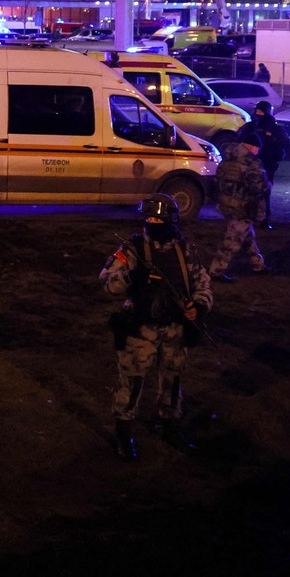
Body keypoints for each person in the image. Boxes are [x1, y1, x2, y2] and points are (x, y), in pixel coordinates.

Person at [100, 194, 213, 461]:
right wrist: (131, 276)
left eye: (160, 219)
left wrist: (199, 305)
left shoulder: (185, 250)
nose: (154, 223)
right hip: (140, 329)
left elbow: (203, 284)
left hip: (175, 328)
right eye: (150, 218)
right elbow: (106, 282)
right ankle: (124, 434)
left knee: (173, 380)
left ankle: (170, 425)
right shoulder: (133, 249)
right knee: (132, 382)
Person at [208, 129, 271, 282]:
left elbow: (218, 179)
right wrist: (268, 185)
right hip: (244, 207)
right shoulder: (251, 163)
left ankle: (258, 264)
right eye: (257, 148)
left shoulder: (228, 158)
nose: (258, 151)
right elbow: (260, 187)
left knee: (247, 236)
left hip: (227, 204)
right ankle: (216, 271)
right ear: (251, 146)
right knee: (231, 241)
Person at [246, 101, 288, 226]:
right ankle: (252, 216)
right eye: (257, 112)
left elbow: (286, 143)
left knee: (265, 191)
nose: (259, 115)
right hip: (250, 164)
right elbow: (239, 140)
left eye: (261, 112)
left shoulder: (274, 128)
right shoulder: (250, 126)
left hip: (268, 164)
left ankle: (264, 218)